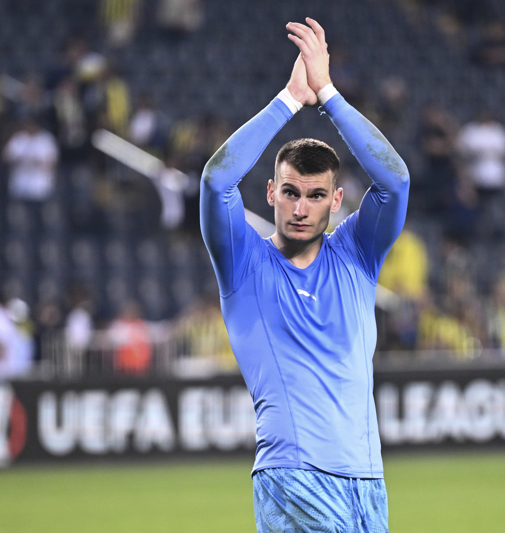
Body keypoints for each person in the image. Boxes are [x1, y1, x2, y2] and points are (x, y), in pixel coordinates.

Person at [200, 18, 408, 532]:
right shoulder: (243, 262)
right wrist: (292, 99)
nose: (300, 208)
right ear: (271, 193)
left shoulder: (356, 254)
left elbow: (396, 181)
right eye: (290, 192)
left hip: (367, 481)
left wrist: (329, 94)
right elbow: (216, 181)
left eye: (316, 195)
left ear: (337, 201)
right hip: (293, 477)